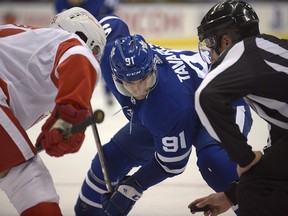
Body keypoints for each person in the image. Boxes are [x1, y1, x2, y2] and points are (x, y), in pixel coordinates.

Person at [74, 15, 252, 216]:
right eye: (129, 84)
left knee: (214, 161)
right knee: (109, 160)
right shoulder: (109, 54)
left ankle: (258, 208)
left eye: (144, 79)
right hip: (166, 110)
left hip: (221, 102)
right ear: (114, 74)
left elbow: (173, 163)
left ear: (153, 66)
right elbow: (112, 24)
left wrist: (134, 186)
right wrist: (75, 48)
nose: (138, 89)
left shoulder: (169, 105)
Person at [0, 7, 106, 216]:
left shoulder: (31, 48)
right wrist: (67, 119)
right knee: (27, 177)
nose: (93, 57)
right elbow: (80, 55)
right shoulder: (67, 43)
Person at [189, 0, 288, 215]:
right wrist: (231, 195)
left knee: (255, 189)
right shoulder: (267, 52)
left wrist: (245, 158)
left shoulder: (242, 51)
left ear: (225, 41)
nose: (210, 54)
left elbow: (206, 95)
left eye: (209, 44)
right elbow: (282, 137)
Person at [55, 0, 120, 106]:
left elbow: (110, 15)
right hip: (79, 40)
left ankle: (109, 91)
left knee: (106, 62)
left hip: (98, 37)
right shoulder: (60, 4)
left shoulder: (99, 4)